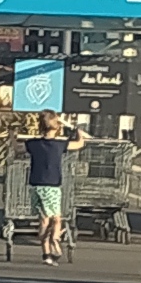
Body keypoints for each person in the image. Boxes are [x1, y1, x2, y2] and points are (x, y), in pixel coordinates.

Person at [25, 110, 85, 266]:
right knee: (56, 219)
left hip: (35, 185)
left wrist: (11, 136)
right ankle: (54, 239)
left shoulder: (33, 144)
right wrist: (79, 132)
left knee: (44, 220)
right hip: (51, 186)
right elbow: (79, 144)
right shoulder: (59, 145)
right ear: (57, 126)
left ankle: (47, 254)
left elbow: (17, 148)